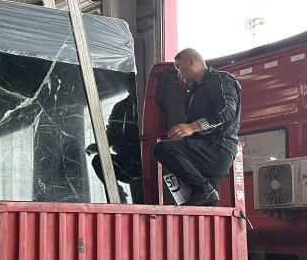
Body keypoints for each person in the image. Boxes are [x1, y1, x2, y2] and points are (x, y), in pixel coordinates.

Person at [153, 48, 241, 207]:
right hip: (208, 150)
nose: (178, 73)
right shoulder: (194, 89)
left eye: (179, 67)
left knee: (163, 149)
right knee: (206, 210)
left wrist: (192, 127)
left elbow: (226, 111)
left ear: (191, 61)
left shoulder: (220, 79)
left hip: (218, 148)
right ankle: (206, 193)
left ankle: (204, 190)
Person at [88, 90, 143, 202]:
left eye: (133, 81)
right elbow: (111, 136)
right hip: (125, 162)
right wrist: (97, 146)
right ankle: (119, 196)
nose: (131, 84)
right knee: (98, 161)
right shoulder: (120, 107)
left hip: (148, 162)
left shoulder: (151, 102)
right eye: (128, 82)